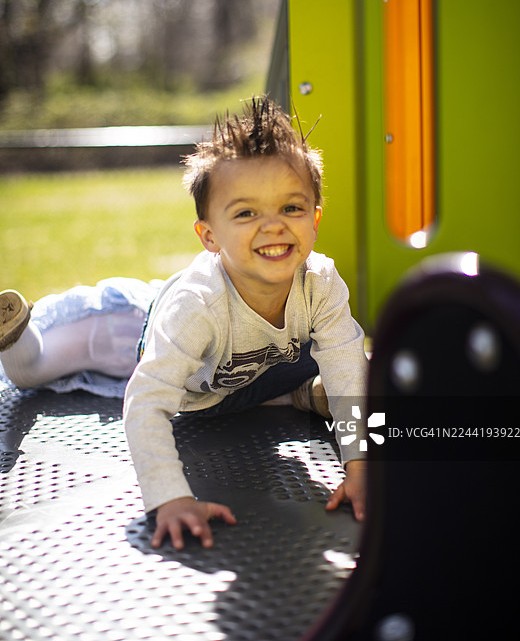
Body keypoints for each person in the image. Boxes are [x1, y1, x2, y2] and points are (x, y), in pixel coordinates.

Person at [0, 97, 367, 550]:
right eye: (247, 213)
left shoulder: (321, 283)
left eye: (291, 208)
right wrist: (170, 498)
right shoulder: (197, 306)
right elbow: (147, 402)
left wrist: (360, 466)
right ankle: (18, 336)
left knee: (349, 360)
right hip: (132, 330)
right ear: (209, 236)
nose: (273, 226)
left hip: (232, 376)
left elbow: (348, 372)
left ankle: (298, 391)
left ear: (315, 219)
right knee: (34, 371)